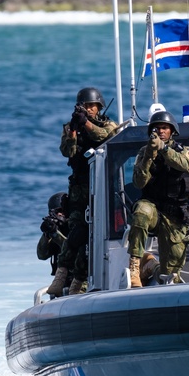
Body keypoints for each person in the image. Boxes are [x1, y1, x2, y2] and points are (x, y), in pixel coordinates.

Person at [53, 87, 119, 296]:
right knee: (77, 235)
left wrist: (86, 124)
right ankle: (62, 274)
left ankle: (78, 284)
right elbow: (67, 151)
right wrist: (74, 129)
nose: (90, 109)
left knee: (91, 240)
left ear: (99, 107)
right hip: (79, 190)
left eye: (93, 106)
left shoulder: (107, 124)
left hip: (102, 189)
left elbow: (106, 135)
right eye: (86, 106)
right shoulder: (71, 127)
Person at [126, 110, 189, 287]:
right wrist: (149, 156)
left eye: (164, 128)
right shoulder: (144, 152)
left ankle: (151, 266)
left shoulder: (187, 151)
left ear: (172, 130)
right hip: (153, 209)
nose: (160, 131)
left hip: (174, 215)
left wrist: (164, 149)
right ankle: (134, 266)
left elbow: (183, 164)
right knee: (141, 212)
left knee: (169, 275)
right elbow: (139, 182)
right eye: (157, 128)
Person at [40, 192, 70, 297]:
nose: (61, 214)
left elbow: (70, 249)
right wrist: (47, 235)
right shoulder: (55, 227)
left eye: (62, 211)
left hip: (78, 279)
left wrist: (55, 234)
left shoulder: (76, 228)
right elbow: (42, 255)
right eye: (58, 212)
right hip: (61, 280)